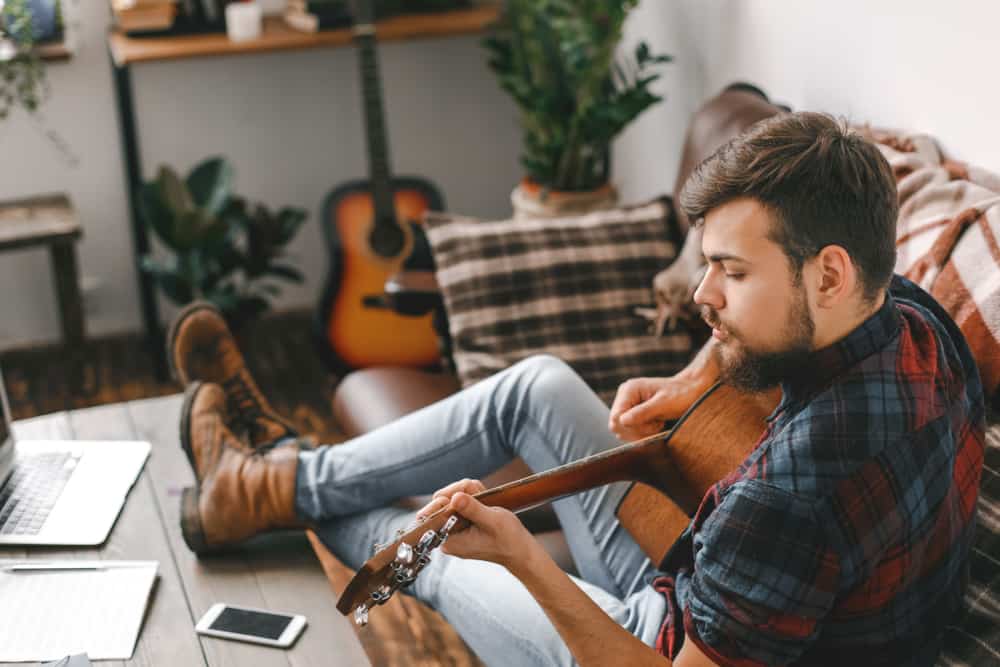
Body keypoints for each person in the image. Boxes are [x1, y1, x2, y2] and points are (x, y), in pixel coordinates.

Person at [167, 111, 984, 667]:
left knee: (443, 556)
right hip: (723, 579)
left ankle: (271, 482)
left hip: (663, 641)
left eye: (732, 273)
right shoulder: (912, 311)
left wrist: (527, 556)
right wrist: (693, 375)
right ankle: (276, 478)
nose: (702, 296)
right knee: (533, 387)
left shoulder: (793, 495)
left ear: (830, 272)